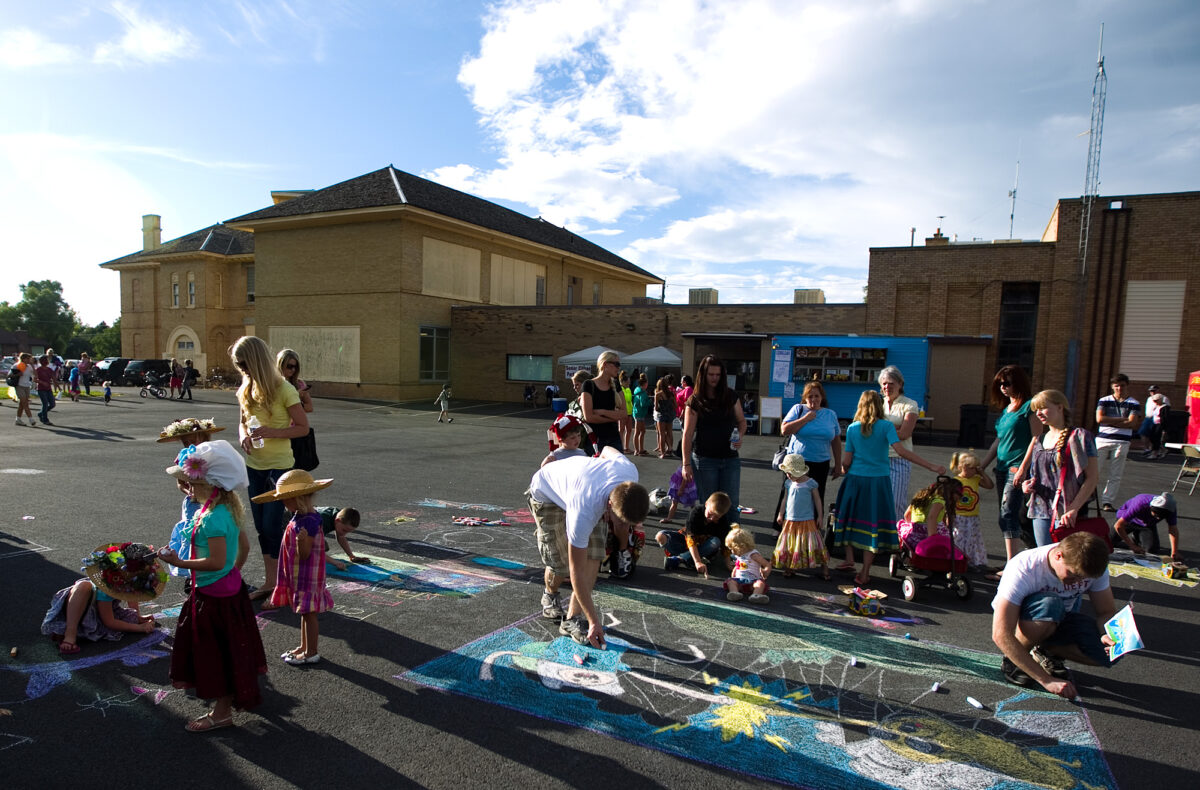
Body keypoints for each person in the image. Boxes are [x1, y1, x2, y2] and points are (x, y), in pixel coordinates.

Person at [158, 440, 267, 731]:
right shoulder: (222, 509)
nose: (186, 488)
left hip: (215, 598)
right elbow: (242, 547)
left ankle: (221, 714)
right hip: (225, 591)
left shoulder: (212, 518)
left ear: (208, 484)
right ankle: (222, 709)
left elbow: (216, 562)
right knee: (227, 652)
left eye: (190, 483)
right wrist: (234, 571)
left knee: (217, 655)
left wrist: (179, 563)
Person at [526, 446, 649, 643]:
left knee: (595, 555)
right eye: (622, 522)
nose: (624, 527)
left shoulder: (629, 471)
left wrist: (597, 463)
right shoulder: (584, 511)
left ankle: (573, 619)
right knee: (563, 565)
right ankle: (550, 595)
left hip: (580, 486)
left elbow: (608, 449)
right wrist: (594, 621)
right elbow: (576, 571)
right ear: (610, 506)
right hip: (547, 493)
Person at [832, 390, 946, 587]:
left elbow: (847, 460)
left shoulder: (852, 428)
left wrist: (840, 469)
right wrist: (931, 466)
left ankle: (849, 558)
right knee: (872, 524)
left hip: (855, 480)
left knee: (849, 518)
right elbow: (902, 451)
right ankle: (865, 571)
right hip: (878, 482)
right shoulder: (886, 427)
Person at [230, 335, 310, 602]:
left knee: (273, 524)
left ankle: (283, 581)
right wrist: (242, 435)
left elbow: (302, 428)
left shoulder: (285, 390)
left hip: (280, 467)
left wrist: (272, 432)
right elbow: (242, 422)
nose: (241, 369)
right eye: (238, 365)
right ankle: (272, 581)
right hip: (255, 466)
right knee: (262, 528)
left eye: (244, 363)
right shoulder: (245, 389)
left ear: (256, 360)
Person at [991, 532, 1117, 698]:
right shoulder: (1024, 567)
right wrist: (1046, 680)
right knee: (1051, 604)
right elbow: (1000, 634)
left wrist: (1107, 634)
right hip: (1027, 618)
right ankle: (1013, 661)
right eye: (1074, 575)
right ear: (1059, 555)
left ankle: (1046, 650)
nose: (1079, 583)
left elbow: (1106, 611)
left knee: (1111, 653)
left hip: (1060, 618)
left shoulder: (1091, 568)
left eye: (1084, 579)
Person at [253, 469, 336, 663]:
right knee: (304, 613)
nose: (283, 502)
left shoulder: (307, 522)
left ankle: (311, 652)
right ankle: (304, 646)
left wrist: (301, 541)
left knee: (309, 614)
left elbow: (305, 554)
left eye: (286, 498)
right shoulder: (301, 516)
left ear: (298, 498)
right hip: (300, 575)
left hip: (306, 576)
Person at [979, 365, 1043, 567]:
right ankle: (1024, 559)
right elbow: (998, 441)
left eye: (1007, 383)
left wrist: (1024, 467)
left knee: (1008, 515)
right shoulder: (1007, 409)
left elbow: (1037, 438)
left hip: (1017, 467)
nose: (1003, 388)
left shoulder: (1029, 407)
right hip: (1003, 466)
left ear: (1019, 382)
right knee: (1008, 516)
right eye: (999, 384)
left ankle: (1012, 565)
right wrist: (981, 465)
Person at [1022, 390, 1099, 547]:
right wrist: (1027, 484)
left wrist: (1074, 508)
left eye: (1043, 408)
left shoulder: (1080, 436)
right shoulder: (1039, 440)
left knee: (1068, 562)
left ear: (1060, 407)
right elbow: (1040, 476)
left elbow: (1092, 477)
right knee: (1045, 559)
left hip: (1068, 512)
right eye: (1036, 410)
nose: (1038, 413)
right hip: (1040, 510)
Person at [158, 417, 226, 585]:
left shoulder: (211, 455)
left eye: (191, 440)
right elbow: (180, 483)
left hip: (213, 499)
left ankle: (214, 568)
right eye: (185, 441)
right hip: (193, 502)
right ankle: (191, 573)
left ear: (202, 437)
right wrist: (190, 491)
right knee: (192, 536)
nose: (188, 444)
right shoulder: (184, 457)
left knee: (214, 536)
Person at [680, 355, 747, 513]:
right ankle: (710, 538)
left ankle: (731, 538)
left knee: (731, 505)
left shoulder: (731, 396)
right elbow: (688, 435)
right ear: (703, 375)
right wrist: (686, 464)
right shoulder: (695, 400)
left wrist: (740, 436)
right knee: (709, 506)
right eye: (711, 374)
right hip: (705, 460)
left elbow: (742, 421)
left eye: (718, 375)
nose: (714, 378)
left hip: (730, 459)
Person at [41, 569, 159, 655]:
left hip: (95, 613)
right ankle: (69, 634)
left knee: (130, 619)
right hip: (78, 615)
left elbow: (131, 594)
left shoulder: (124, 579)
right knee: (83, 586)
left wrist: (137, 617)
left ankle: (71, 631)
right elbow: (109, 622)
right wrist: (140, 628)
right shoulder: (107, 588)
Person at [776, 380, 842, 527]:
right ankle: (782, 526)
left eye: (817, 396)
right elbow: (784, 430)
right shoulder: (798, 409)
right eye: (810, 396)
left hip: (821, 462)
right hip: (797, 461)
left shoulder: (830, 414)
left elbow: (836, 441)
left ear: (822, 397)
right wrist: (805, 419)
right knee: (791, 494)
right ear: (805, 398)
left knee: (816, 495)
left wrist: (838, 464)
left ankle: (812, 528)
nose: (813, 400)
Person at [774, 454, 829, 580]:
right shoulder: (789, 483)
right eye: (787, 473)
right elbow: (785, 499)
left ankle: (825, 568)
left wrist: (820, 516)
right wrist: (781, 513)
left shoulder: (810, 483)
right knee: (790, 544)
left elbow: (818, 500)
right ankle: (790, 567)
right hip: (790, 520)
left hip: (807, 519)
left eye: (790, 473)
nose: (788, 475)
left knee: (814, 543)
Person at [879, 366, 920, 520]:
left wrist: (881, 429)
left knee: (895, 502)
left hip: (899, 459)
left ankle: (896, 538)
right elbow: (867, 428)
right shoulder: (878, 404)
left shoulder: (910, 405)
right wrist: (893, 427)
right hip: (877, 458)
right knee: (877, 501)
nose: (887, 387)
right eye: (884, 384)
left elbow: (905, 433)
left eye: (891, 383)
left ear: (900, 384)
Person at [1095, 373, 1141, 512]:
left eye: (1122, 386)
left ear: (1127, 386)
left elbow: (1133, 423)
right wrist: (1122, 420)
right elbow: (1099, 419)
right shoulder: (1104, 400)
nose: (1119, 388)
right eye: (1116, 386)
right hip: (1102, 440)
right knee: (1094, 471)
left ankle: (1107, 501)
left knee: (1115, 474)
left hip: (1122, 441)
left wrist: (1110, 420)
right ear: (1112, 387)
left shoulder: (1134, 403)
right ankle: (1086, 498)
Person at [656, 491, 732, 574]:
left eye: (716, 517)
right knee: (661, 536)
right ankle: (689, 559)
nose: (711, 518)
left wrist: (728, 565)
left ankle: (680, 559)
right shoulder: (696, 512)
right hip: (688, 543)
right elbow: (691, 540)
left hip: (704, 547)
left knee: (715, 541)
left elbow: (725, 544)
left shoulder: (723, 521)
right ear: (706, 504)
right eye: (710, 514)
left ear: (722, 515)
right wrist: (697, 562)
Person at [949, 450, 995, 575]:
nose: (974, 471)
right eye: (971, 468)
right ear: (962, 467)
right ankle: (959, 560)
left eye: (975, 468)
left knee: (973, 539)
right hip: (959, 516)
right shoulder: (956, 481)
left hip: (972, 517)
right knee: (959, 538)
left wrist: (982, 473)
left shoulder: (975, 479)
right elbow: (950, 499)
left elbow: (990, 485)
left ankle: (974, 561)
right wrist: (950, 515)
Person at [581, 350, 626, 453]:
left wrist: (602, 412)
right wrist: (613, 417)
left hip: (614, 439)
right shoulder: (588, 385)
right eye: (616, 364)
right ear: (605, 364)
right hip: (595, 440)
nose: (619, 368)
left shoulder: (616, 384)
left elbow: (624, 413)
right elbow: (589, 417)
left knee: (617, 469)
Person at [1113, 492, 1180, 559]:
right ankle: (1135, 536)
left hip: (1147, 525)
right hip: (1129, 521)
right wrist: (1132, 545)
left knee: (1151, 550)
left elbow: (1173, 530)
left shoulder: (1171, 509)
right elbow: (1118, 525)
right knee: (1108, 542)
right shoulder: (1140, 503)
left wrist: (1174, 551)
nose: (1158, 518)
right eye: (1156, 515)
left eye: (1161, 517)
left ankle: (1137, 535)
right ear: (1151, 508)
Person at [900, 477, 960, 551]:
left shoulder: (922, 496)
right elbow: (931, 518)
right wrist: (932, 539)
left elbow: (907, 515)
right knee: (955, 533)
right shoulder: (939, 500)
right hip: (927, 535)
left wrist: (915, 528)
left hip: (913, 536)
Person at [723, 527, 771, 604]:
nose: (731, 551)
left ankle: (756, 595)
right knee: (731, 582)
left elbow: (767, 564)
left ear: (741, 546)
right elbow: (738, 565)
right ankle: (734, 593)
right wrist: (734, 572)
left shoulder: (753, 555)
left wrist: (766, 571)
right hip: (739, 581)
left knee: (760, 584)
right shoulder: (739, 554)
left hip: (752, 581)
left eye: (732, 549)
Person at [565, 369, 597, 456]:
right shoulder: (575, 402)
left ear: (585, 384)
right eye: (574, 385)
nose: (574, 388)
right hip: (580, 440)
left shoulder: (593, 399)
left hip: (591, 438)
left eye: (577, 385)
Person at [1136, 385, 1170, 459]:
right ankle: (1149, 449)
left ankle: (1155, 451)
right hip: (1149, 418)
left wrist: (1164, 428)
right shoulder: (1149, 399)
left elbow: (1165, 415)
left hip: (1158, 422)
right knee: (1145, 434)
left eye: (1154, 391)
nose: (1152, 392)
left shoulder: (1164, 401)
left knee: (1156, 437)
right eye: (1151, 391)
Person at [278, 348, 314, 413]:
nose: (293, 369)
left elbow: (310, 408)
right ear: (281, 365)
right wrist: (295, 396)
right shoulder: (272, 383)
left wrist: (298, 402)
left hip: (295, 421)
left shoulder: (299, 384)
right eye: (290, 366)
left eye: (296, 366)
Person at [653, 376, 677, 458]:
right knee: (670, 432)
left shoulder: (658, 394)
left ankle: (662, 453)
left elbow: (656, 408)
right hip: (670, 414)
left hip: (661, 415)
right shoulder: (671, 393)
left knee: (662, 434)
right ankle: (670, 449)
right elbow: (675, 405)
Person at [13, 352, 35, 426]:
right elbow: (9, 375)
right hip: (19, 386)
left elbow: (35, 374)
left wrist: (32, 365)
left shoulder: (29, 366)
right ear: (23, 359)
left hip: (26, 386)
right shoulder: (16, 366)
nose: (29, 360)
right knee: (25, 403)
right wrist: (17, 374)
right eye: (28, 359)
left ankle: (18, 419)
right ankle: (31, 419)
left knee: (22, 404)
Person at [631, 373, 651, 456]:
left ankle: (640, 449)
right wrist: (649, 401)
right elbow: (643, 404)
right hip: (639, 413)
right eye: (647, 384)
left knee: (642, 431)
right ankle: (637, 450)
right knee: (638, 432)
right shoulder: (642, 393)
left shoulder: (638, 390)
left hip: (638, 413)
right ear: (645, 384)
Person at [34, 354, 56, 425]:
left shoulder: (50, 370)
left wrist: (58, 386)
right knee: (45, 404)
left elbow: (54, 379)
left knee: (52, 404)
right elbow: (35, 379)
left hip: (48, 389)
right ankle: (45, 419)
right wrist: (42, 382)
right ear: (41, 361)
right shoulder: (38, 370)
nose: (47, 361)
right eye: (46, 360)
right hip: (41, 389)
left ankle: (41, 413)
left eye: (47, 360)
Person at [618, 370, 634, 453]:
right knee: (621, 429)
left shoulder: (628, 389)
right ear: (623, 382)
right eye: (628, 382)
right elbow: (627, 399)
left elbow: (629, 399)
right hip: (622, 412)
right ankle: (620, 447)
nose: (629, 383)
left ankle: (626, 447)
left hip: (629, 412)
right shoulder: (621, 389)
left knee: (629, 429)